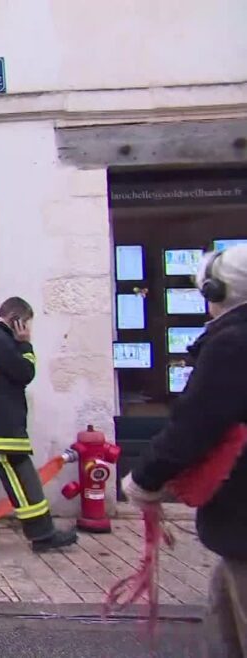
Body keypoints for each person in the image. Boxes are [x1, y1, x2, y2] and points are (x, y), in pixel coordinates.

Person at [122, 245, 247, 656]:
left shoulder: (232, 344)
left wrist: (144, 480)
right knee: (222, 616)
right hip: (236, 530)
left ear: (215, 291)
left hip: (242, 521)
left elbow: (194, 424)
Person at [0, 297, 78, 552]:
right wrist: (25, 344)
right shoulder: (2, 340)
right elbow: (25, 372)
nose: (27, 329)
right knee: (24, 480)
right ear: (16, 320)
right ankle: (43, 534)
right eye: (25, 323)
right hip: (2, 429)